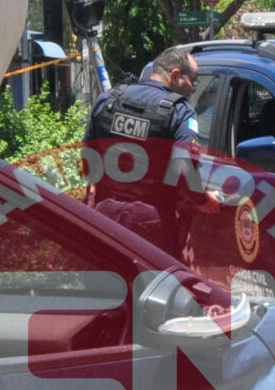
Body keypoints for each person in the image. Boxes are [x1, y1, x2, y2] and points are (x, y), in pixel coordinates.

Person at [85, 48, 201, 257]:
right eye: (193, 80)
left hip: (105, 215)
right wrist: (204, 200)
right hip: (151, 222)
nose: (193, 88)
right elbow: (184, 168)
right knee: (157, 287)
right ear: (175, 74)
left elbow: (88, 156)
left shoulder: (108, 100)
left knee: (109, 285)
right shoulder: (180, 112)